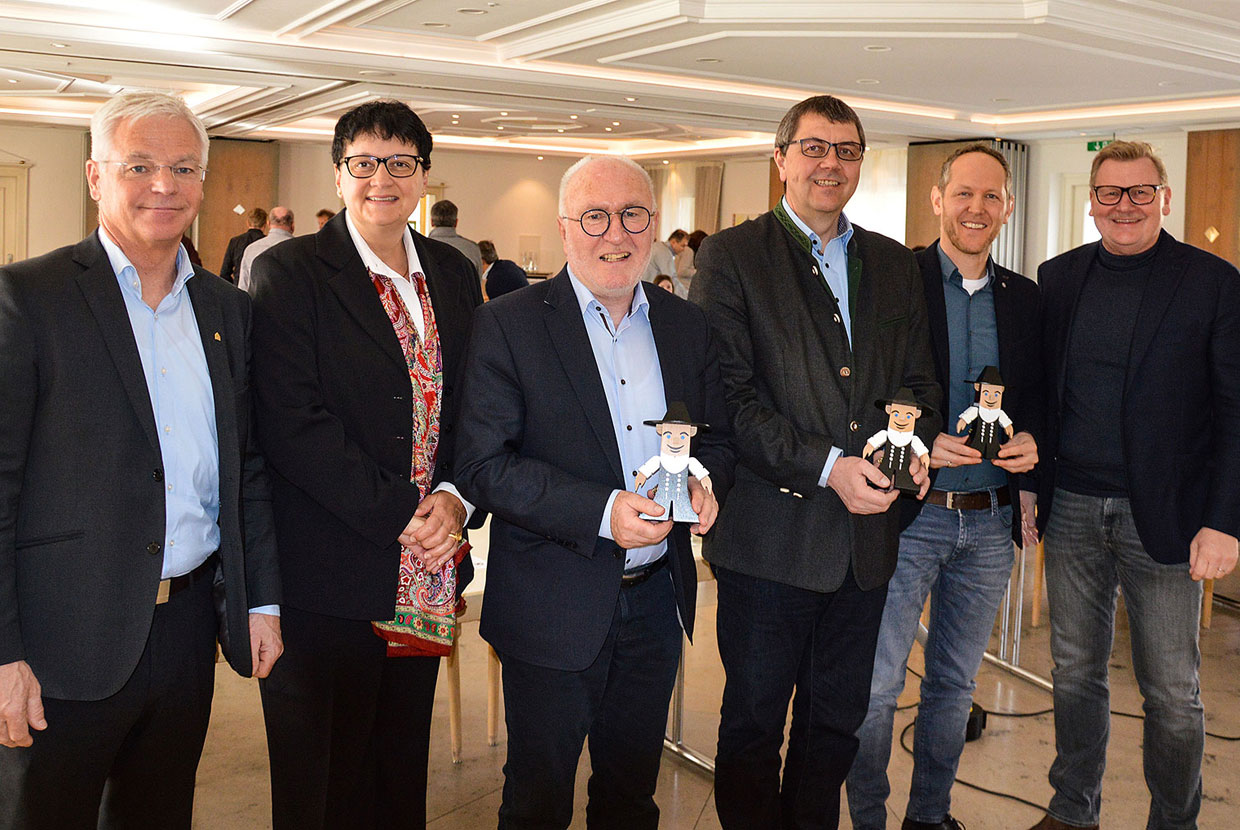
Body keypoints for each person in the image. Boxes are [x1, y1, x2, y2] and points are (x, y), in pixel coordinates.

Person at [0, 91, 282, 829]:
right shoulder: (29, 298)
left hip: (186, 634)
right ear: (96, 176)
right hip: (60, 640)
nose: (165, 184)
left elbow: (246, 467)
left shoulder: (227, 311)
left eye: (184, 167)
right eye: (140, 165)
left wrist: (259, 600)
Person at [454, 155, 735, 830]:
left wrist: (704, 482)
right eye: (595, 217)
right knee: (537, 803)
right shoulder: (509, 323)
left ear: (654, 225)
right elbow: (484, 465)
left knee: (630, 799)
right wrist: (603, 512)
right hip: (550, 606)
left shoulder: (686, 325)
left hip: (655, 604)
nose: (616, 233)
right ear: (564, 228)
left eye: (633, 215)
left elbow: (720, 440)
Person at [690, 94, 941, 829]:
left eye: (847, 150)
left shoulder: (893, 263)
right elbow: (730, 402)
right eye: (814, 148)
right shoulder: (732, 258)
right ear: (781, 159)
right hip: (769, 543)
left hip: (865, 548)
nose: (831, 164)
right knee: (752, 727)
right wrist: (831, 466)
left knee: (834, 727)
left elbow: (919, 385)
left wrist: (911, 448)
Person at [249, 100, 483, 830]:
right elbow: (292, 422)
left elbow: (474, 399)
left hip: (426, 569)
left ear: (423, 175)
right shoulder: (290, 271)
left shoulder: (451, 270)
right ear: (339, 172)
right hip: (327, 571)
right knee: (322, 781)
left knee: (397, 767)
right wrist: (402, 514)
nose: (383, 178)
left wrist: (455, 496)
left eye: (401, 162)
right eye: (364, 162)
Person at [1028, 140, 1240, 830]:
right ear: (1092, 202)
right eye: (1110, 193)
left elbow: (1235, 410)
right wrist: (1029, 485)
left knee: (1173, 692)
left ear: (1164, 199)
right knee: (1074, 672)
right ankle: (1073, 810)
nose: (1125, 206)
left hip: (1170, 516)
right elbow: (1042, 394)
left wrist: (1225, 520)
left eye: (1140, 192)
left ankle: (1174, 821)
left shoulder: (1212, 281)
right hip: (1071, 507)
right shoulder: (1058, 277)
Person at [845, 143, 1042, 830]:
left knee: (955, 687)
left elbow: (1039, 396)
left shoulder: (1026, 298)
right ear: (938, 200)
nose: (976, 209)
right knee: (877, 688)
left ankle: (929, 816)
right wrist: (920, 438)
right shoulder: (895, 282)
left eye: (991, 196)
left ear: (1008, 207)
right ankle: (868, 818)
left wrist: (1035, 449)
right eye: (963, 194)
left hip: (989, 523)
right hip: (910, 516)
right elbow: (865, 388)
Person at [237, 205, 293, 292]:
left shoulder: (251, 249)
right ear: (292, 225)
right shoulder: (300, 250)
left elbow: (243, 287)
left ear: (268, 223)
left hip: (258, 299)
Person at [429, 198, 483, 279]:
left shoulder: (419, 247)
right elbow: (477, 281)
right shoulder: (472, 248)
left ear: (432, 222)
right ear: (456, 222)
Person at [219, 206, 266, 283]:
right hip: (260, 286)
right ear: (265, 224)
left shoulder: (235, 241)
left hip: (239, 285)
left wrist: (234, 286)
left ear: (247, 223)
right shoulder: (267, 243)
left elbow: (224, 273)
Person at [667, 229, 693, 297]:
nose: (683, 249)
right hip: (683, 288)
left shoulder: (672, 253)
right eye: (683, 245)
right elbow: (682, 271)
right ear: (673, 242)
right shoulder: (688, 251)